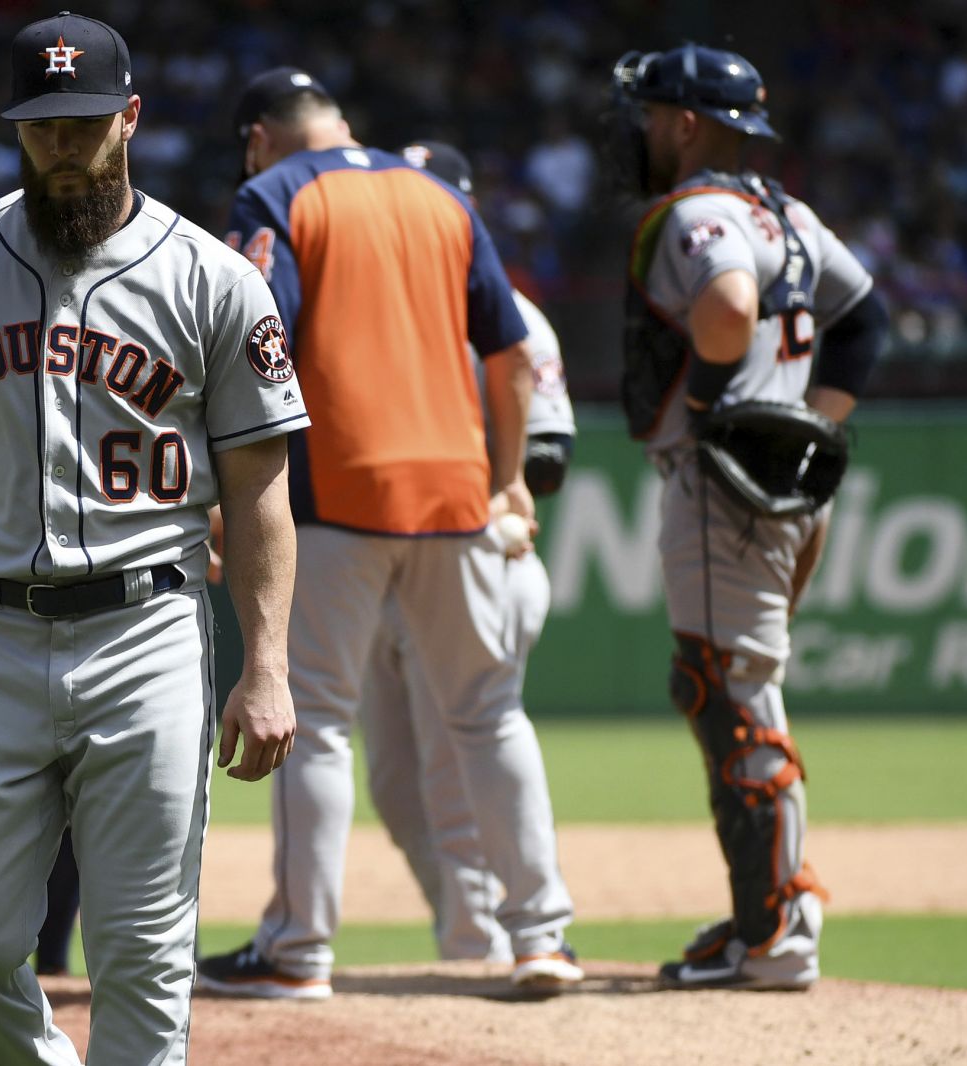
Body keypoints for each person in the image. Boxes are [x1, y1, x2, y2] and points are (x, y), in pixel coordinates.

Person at [0, 13, 307, 1063]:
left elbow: (260, 486)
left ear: (128, 118)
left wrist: (266, 665)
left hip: (149, 627)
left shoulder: (214, 279)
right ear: (14, 130)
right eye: (41, 128)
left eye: (82, 125)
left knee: (141, 950)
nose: (62, 147)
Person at [197, 68, 580, 999]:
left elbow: (261, 336)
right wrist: (508, 483)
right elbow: (511, 353)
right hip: (455, 493)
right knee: (489, 717)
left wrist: (225, 491)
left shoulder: (277, 192)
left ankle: (298, 951)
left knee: (317, 724)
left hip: (338, 493)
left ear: (259, 138)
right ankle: (541, 938)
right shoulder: (441, 193)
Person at [606, 44, 885, 990]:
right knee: (735, 688)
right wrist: (807, 425)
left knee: (730, 695)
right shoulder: (789, 213)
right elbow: (866, 322)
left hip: (727, 484)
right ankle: (768, 913)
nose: (640, 130)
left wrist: (715, 407)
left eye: (650, 115)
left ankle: (775, 934)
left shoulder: (701, 211)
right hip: (778, 484)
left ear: (685, 123)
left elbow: (725, 309)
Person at [351, 141, 580, 964]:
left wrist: (470, 485)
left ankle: (489, 944)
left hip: (471, 555)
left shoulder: (508, 312)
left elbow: (547, 455)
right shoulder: (369, 309)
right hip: (381, 571)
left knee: (455, 782)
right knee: (395, 790)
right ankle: (469, 930)